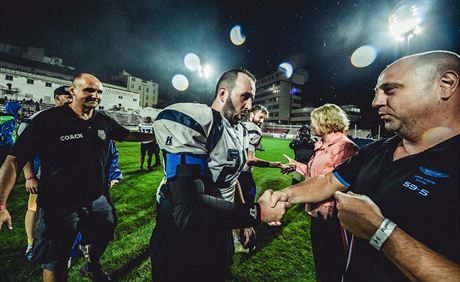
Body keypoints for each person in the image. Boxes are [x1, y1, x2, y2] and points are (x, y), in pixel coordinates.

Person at [270, 51, 460, 281]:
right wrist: (286, 194)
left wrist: (381, 233)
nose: (376, 102)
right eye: (377, 92)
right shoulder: (377, 150)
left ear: (446, 84)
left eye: (390, 90)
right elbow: (329, 180)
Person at [0, 73, 154, 282]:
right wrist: (1, 204)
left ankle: (91, 265)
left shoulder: (103, 121)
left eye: (99, 91)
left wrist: (160, 135)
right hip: (59, 205)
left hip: (98, 200)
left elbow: (129, 135)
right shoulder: (48, 120)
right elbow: (13, 161)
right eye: (89, 90)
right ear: (72, 91)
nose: (96, 95)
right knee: (57, 260)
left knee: (105, 233)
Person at [150, 69, 289, 281]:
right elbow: (186, 212)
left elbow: (233, 180)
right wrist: (257, 213)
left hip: (219, 223)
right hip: (182, 235)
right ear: (223, 93)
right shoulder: (198, 120)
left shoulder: (240, 131)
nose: (250, 106)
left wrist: (244, 222)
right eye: (245, 96)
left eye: (252, 98)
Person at [282, 104, 359, 282]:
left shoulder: (345, 148)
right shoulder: (322, 145)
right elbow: (317, 175)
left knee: (335, 269)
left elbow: (337, 182)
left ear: (326, 121)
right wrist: (297, 165)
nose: (310, 125)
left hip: (335, 220)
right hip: (318, 216)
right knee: (322, 267)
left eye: (313, 121)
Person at [20, 86, 73, 261]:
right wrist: (29, 176)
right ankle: (31, 244)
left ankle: (63, 244)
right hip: (40, 173)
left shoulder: (74, 119)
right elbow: (21, 151)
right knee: (34, 208)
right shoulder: (37, 119)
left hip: (64, 177)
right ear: (57, 98)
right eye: (67, 96)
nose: (71, 99)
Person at [234, 104, 285, 252]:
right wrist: (273, 164)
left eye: (264, 118)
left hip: (231, 172)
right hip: (243, 174)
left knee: (234, 205)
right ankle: (241, 240)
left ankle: (233, 237)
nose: (262, 121)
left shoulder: (239, 125)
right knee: (245, 206)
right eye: (260, 117)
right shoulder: (255, 130)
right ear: (251, 115)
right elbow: (249, 159)